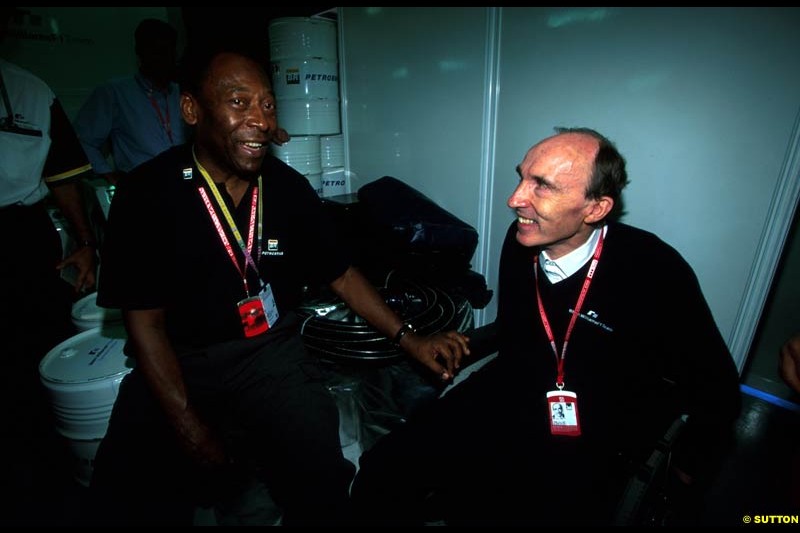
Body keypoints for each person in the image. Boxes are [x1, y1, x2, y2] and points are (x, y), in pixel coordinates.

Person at [90, 45, 470, 526]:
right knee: (120, 491)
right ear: (192, 109)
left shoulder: (287, 188)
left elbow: (342, 273)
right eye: (238, 102)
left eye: (268, 105)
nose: (261, 120)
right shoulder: (146, 194)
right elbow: (144, 322)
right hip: (179, 356)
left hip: (267, 352)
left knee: (322, 480)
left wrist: (410, 339)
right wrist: (187, 425)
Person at [350, 127, 742, 526]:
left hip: (598, 422)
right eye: (522, 177)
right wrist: (458, 342)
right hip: (515, 386)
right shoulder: (522, 239)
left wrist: (686, 474)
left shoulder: (654, 270)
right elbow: (518, 327)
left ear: (595, 208)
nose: (515, 199)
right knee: (383, 470)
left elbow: (719, 389)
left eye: (543, 186)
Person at [1, 5, 97, 522]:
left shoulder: (32, 91)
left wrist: (84, 242)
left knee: (36, 350)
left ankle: (49, 478)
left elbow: (64, 177)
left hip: (20, 234)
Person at [73, 18, 187, 185]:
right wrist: (107, 174)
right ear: (140, 52)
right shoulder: (115, 92)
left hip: (184, 184)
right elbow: (82, 139)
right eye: (157, 51)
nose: (164, 59)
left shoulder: (181, 93)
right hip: (143, 189)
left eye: (168, 51)